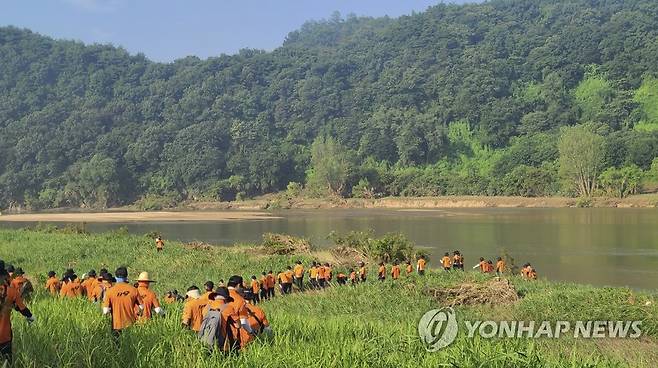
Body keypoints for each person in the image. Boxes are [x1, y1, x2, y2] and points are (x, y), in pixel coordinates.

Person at [0, 263, 35, 365]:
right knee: (7, 362)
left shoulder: (13, 283)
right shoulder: (11, 291)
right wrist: (31, 317)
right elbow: (21, 308)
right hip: (4, 337)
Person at [102, 267, 143, 337]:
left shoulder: (110, 291)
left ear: (115, 277)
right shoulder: (134, 290)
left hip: (116, 324)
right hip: (130, 324)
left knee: (116, 346)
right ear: (126, 276)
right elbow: (142, 307)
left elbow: (105, 311)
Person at [201, 287, 240, 352]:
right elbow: (238, 325)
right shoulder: (228, 307)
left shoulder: (207, 307)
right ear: (226, 298)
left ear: (215, 296)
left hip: (205, 337)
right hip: (221, 341)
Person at [226, 276, 258, 349]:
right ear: (238, 285)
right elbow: (243, 321)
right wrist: (250, 332)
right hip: (232, 334)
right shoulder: (239, 300)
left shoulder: (219, 295)